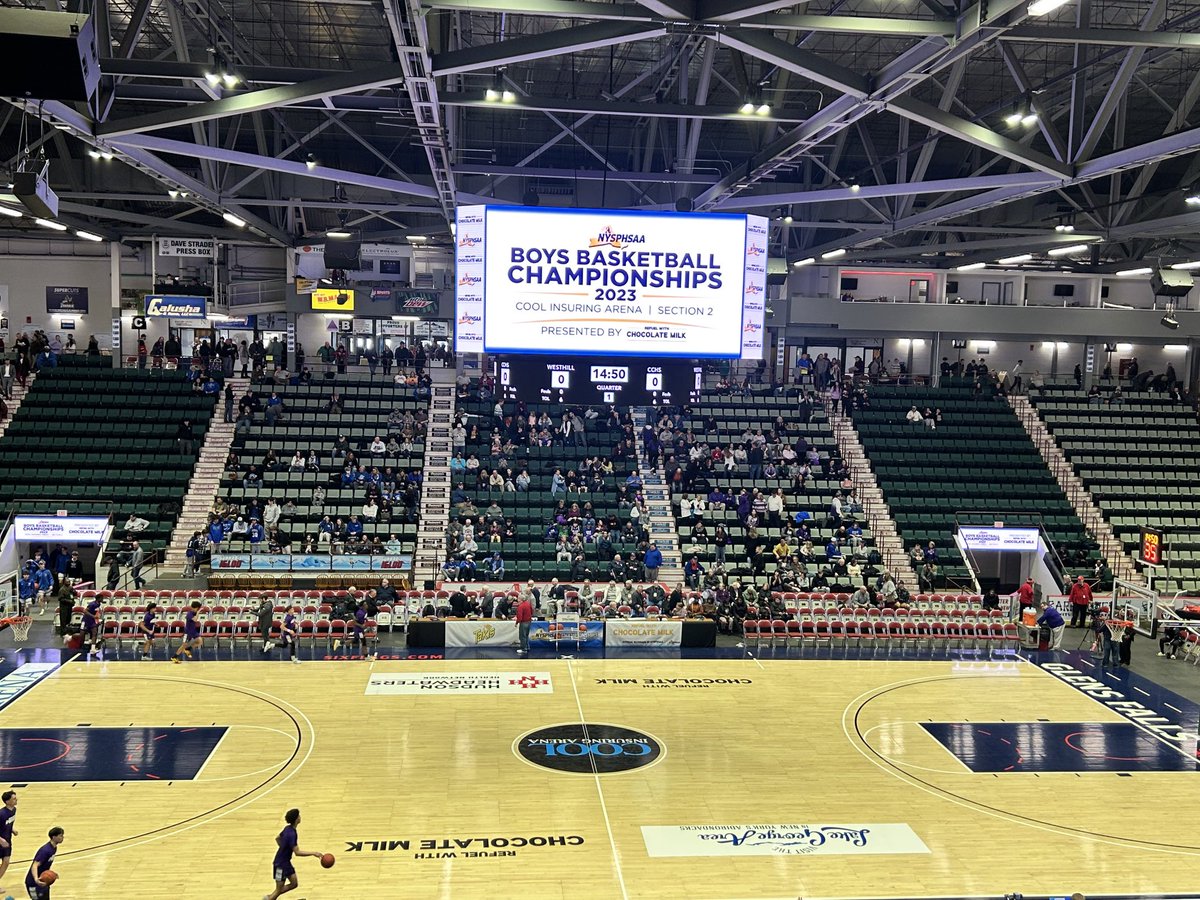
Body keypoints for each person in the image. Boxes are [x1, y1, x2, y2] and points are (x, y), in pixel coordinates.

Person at [264, 808, 326, 900]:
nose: (300, 817)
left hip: (284, 863)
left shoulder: (287, 828)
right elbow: (297, 852)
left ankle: (269, 897)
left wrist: (283, 848)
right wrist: (314, 853)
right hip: (280, 866)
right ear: (297, 819)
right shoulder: (292, 834)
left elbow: (277, 838)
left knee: (294, 883)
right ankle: (268, 898)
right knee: (278, 890)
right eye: (299, 816)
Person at [26, 825, 63, 900]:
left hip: (44, 881)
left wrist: (53, 874)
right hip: (34, 883)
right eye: (60, 836)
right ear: (54, 837)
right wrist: (36, 879)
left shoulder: (54, 848)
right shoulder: (45, 850)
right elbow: (35, 865)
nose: (62, 837)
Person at [0, 790, 17, 887]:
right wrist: (1, 840)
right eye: (13, 799)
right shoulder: (1, 814)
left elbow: (6, 824)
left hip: (7, 841)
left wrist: (12, 830)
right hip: (1, 841)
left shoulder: (14, 810)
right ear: (7, 801)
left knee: (6, 862)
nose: (16, 800)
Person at [515, 590, 533, 654]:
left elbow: (519, 617)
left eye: (518, 598)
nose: (517, 599)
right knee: (526, 635)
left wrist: (517, 622)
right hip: (529, 622)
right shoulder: (528, 604)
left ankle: (524, 649)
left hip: (523, 623)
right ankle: (527, 647)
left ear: (520, 599)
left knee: (522, 636)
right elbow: (532, 611)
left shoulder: (520, 606)